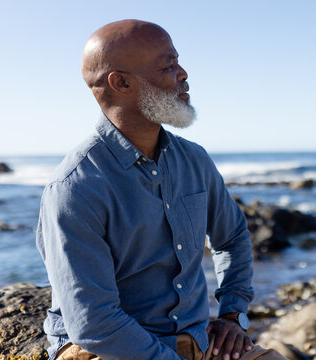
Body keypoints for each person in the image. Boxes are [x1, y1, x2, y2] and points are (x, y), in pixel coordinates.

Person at [36, 19, 286, 360]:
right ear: (121, 83)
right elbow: (94, 323)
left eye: (178, 62)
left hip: (194, 341)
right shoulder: (74, 188)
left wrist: (232, 315)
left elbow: (232, 238)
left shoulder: (194, 161)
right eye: (168, 65)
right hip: (104, 349)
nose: (183, 74)